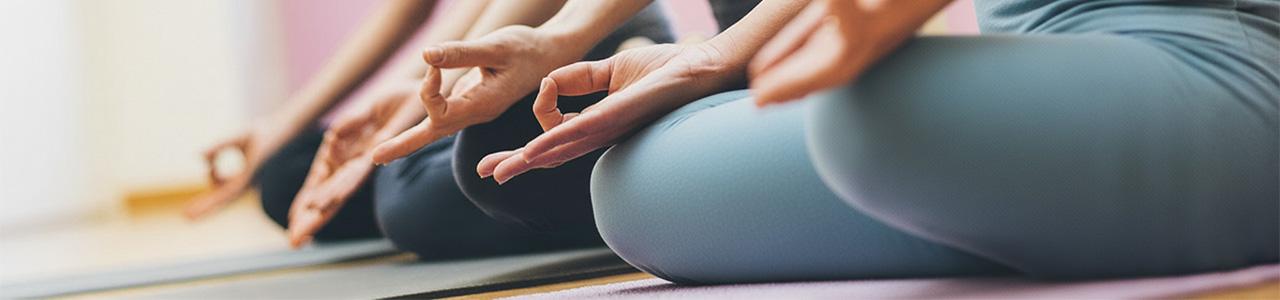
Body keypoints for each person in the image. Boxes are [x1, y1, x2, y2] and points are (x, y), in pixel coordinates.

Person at [409, 0, 1278, 284]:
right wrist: (710, 57)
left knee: (877, 111)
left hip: (1225, 66)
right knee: (636, 193)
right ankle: (1034, 208)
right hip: (1065, 56)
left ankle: (1021, 199)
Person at [188, 0, 674, 258]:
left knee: (413, 203)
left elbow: (504, 30)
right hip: (500, 47)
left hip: (578, 50)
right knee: (284, 176)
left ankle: (618, 187)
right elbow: (423, 17)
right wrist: (282, 126)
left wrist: (408, 124)